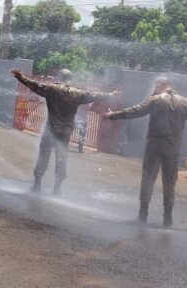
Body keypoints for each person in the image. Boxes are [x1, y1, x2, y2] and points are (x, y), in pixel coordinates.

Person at [103, 79, 187, 227]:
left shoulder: (155, 99)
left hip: (154, 146)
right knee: (169, 183)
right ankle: (167, 218)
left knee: (148, 179)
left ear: (162, 86)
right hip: (172, 149)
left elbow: (136, 111)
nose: (155, 89)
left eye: (157, 86)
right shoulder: (185, 102)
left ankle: (143, 214)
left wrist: (113, 115)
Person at [11, 68, 119, 196]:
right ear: (70, 79)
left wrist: (20, 77)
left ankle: (37, 184)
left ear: (59, 78)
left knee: (43, 157)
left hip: (50, 131)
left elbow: (34, 85)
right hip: (65, 133)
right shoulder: (78, 93)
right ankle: (57, 189)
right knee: (61, 159)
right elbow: (94, 95)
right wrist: (111, 95)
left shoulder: (51, 89)